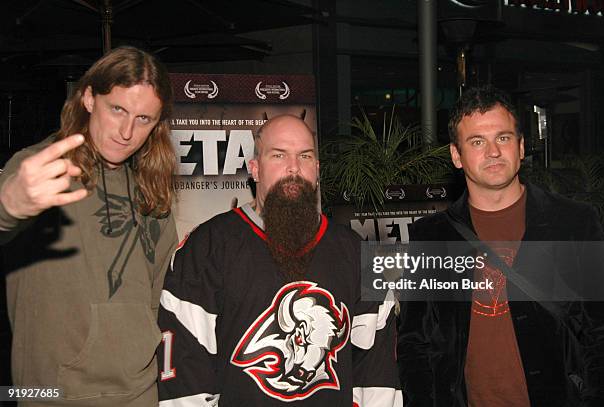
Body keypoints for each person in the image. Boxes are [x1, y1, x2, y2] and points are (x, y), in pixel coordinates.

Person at [157, 114, 402, 406]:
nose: (293, 168)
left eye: (305, 156)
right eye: (278, 155)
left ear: (317, 169)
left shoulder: (357, 254)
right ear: (255, 169)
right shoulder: (207, 248)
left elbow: (378, 372)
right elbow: (185, 373)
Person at [397, 85, 604, 406]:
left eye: (503, 138)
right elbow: (415, 342)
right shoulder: (431, 237)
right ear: (456, 155)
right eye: (477, 142)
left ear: (522, 147)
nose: (493, 151)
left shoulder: (575, 222)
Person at [0, 46, 178, 406]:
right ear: (88, 98)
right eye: (118, 109)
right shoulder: (40, 168)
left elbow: (158, 294)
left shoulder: (151, 188)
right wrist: (8, 206)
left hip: (140, 391)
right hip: (53, 394)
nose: (127, 131)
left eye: (143, 119)